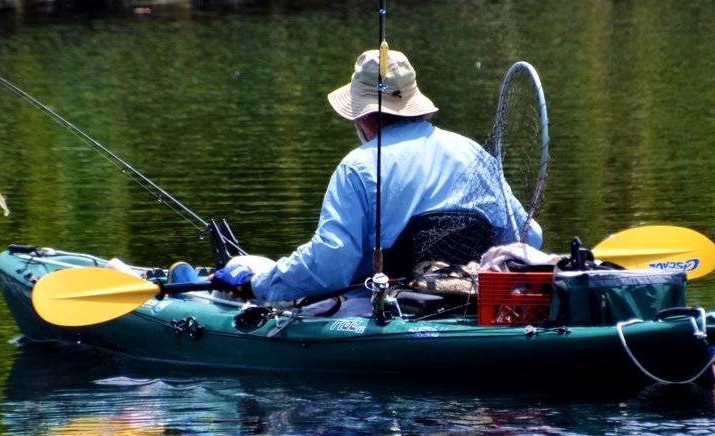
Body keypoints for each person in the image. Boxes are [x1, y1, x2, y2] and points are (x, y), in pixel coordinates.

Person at [210, 49, 542, 313]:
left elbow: (330, 266)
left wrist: (258, 283)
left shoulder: (357, 167)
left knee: (247, 270)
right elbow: (529, 236)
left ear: (365, 116)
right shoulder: (472, 152)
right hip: (472, 305)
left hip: (389, 310)